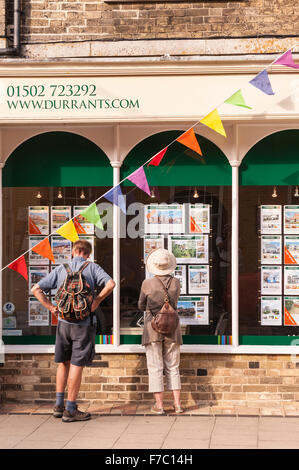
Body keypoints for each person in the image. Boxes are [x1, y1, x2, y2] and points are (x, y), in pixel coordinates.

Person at [31, 239, 115, 422]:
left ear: (73, 252)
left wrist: (51, 307)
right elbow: (111, 284)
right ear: (88, 254)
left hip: (63, 323)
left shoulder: (63, 268)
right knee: (77, 364)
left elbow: (36, 289)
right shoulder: (92, 268)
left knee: (64, 363)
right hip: (83, 324)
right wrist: (97, 301)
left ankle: (58, 406)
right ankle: (70, 409)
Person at [138, 248, 183, 415]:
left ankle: (160, 405)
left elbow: (141, 305)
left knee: (155, 367)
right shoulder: (176, 282)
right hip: (173, 327)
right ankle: (177, 405)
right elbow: (176, 302)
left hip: (152, 328)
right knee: (173, 366)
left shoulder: (147, 284)